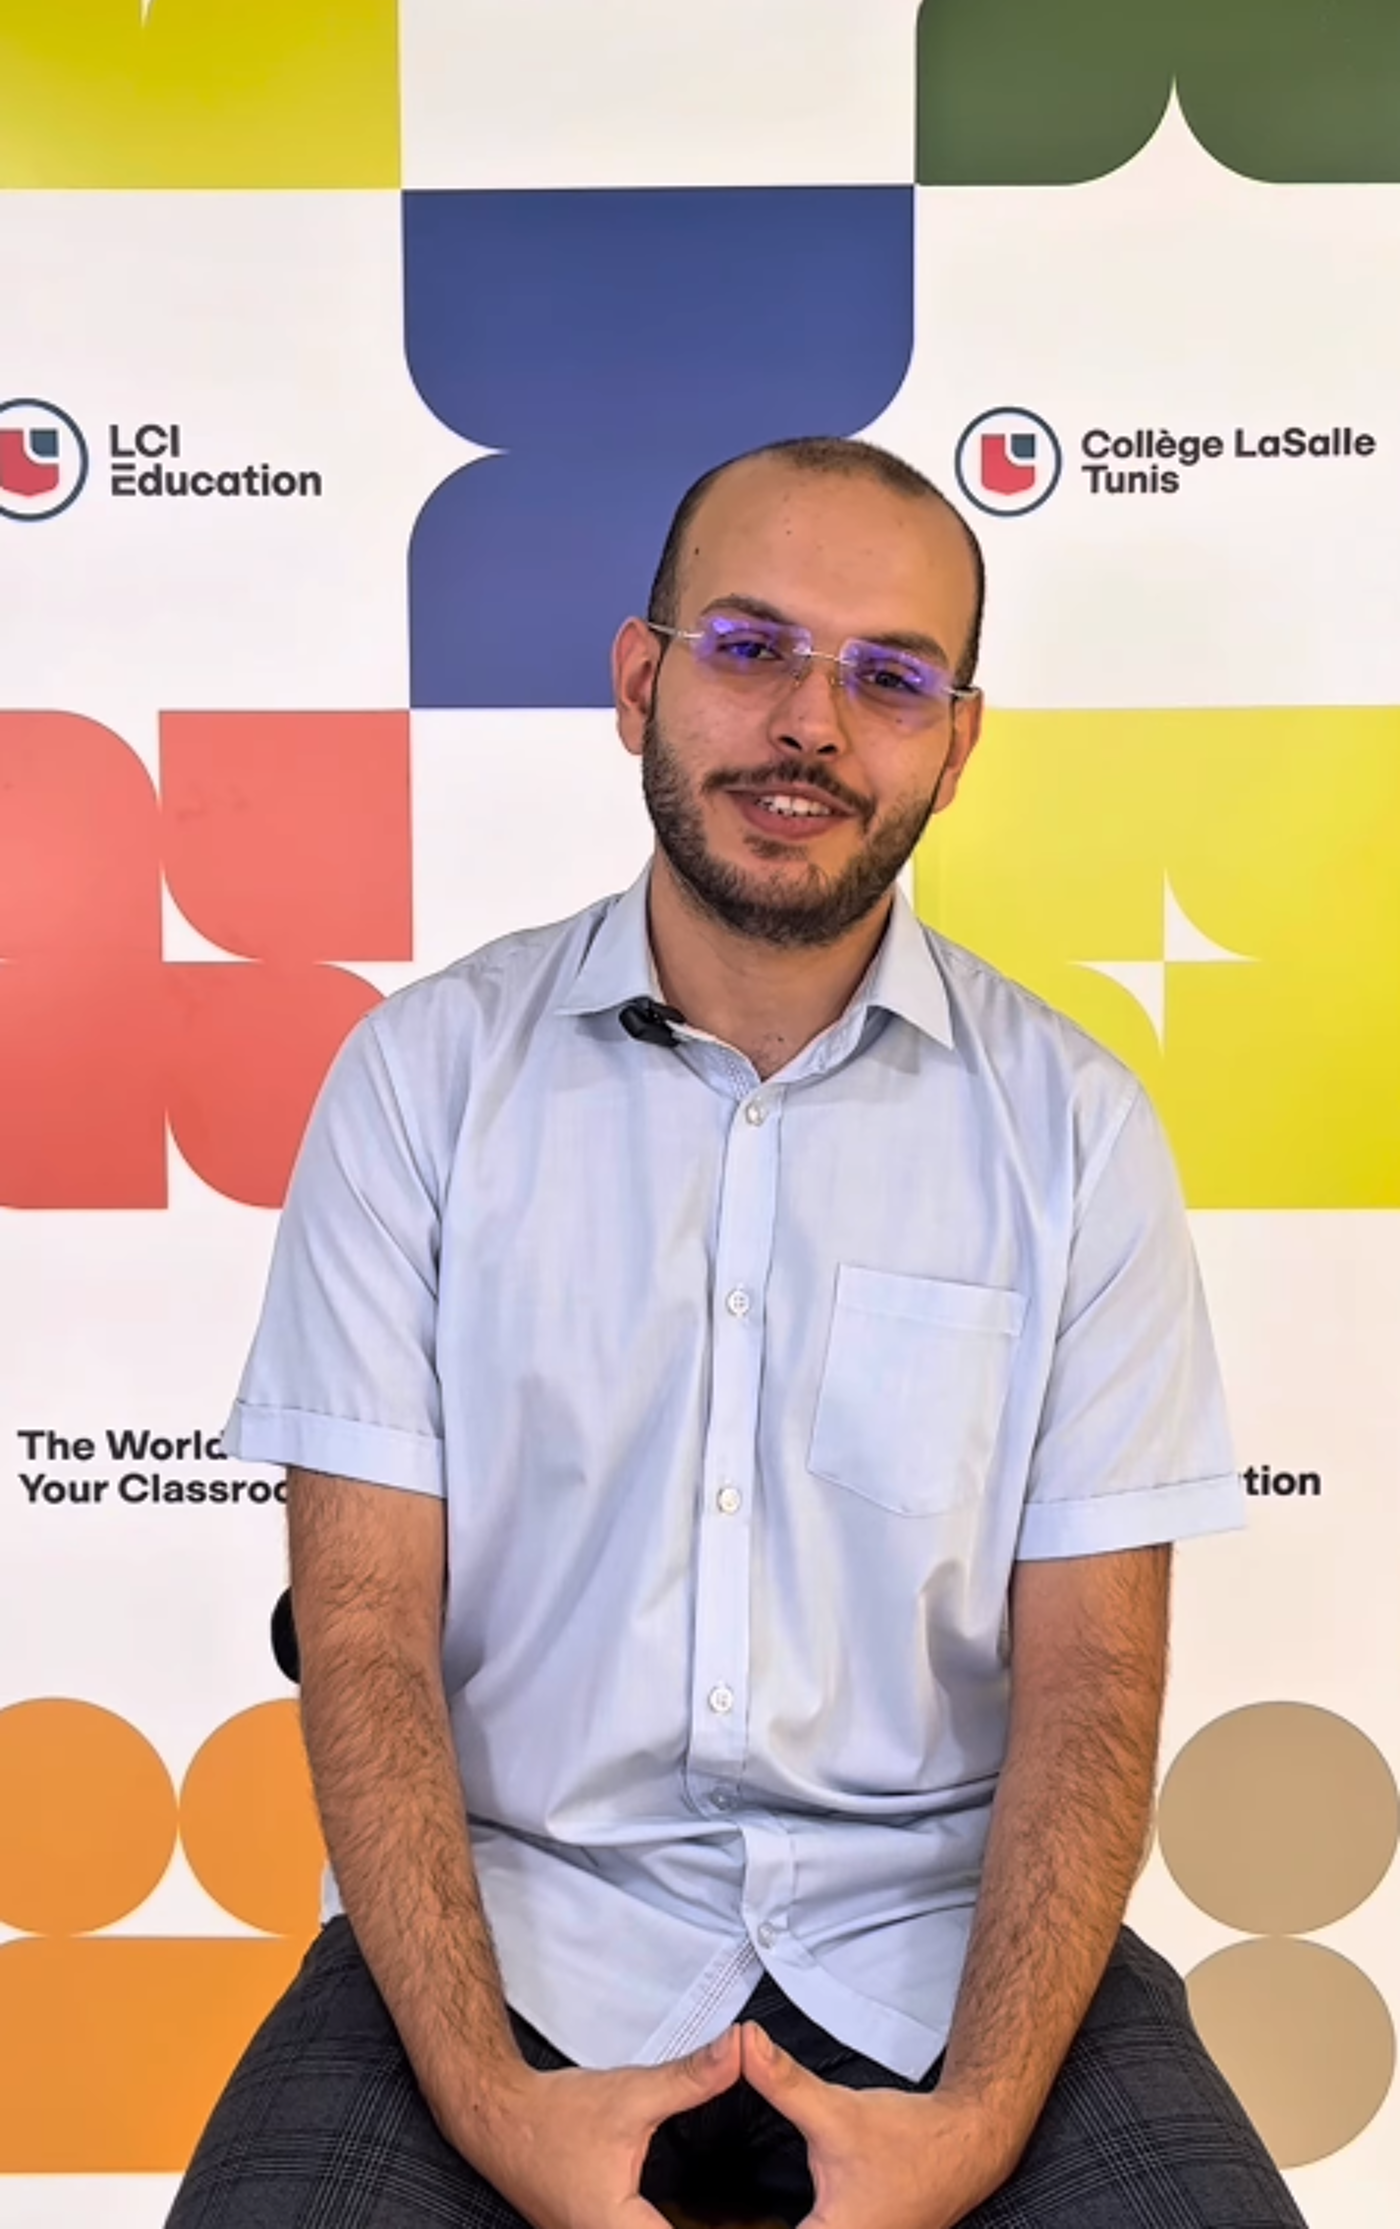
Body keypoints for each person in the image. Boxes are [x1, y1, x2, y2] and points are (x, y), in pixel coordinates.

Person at [168, 438, 1305, 2229]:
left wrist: (982, 2123)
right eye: (753, 646)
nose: (811, 725)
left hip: (942, 1954)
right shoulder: (423, 1084)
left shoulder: (1075, 1133)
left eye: (891, 677)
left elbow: (1095, 1678)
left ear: (958, 743)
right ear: (642, 679)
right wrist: (488, 2102)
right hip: (507, 1940)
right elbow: (364, 1634)